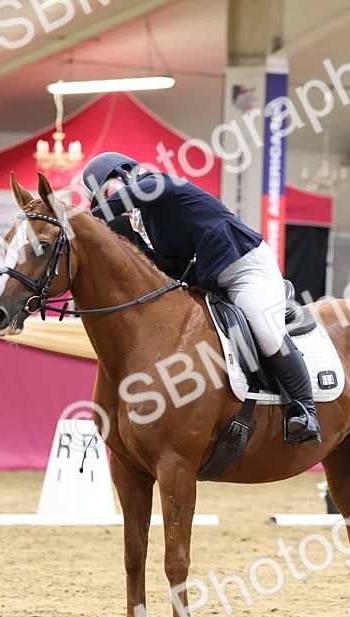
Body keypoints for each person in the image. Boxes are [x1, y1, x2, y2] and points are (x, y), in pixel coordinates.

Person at [81, 152, 319, 445]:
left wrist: (83, 219)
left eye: (106, 192)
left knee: (266, 333)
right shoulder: (141, 227)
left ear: (125, 174)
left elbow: (129, 198)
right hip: (211, 283)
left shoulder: (156, 183)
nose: (106, 203)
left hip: (244, 267)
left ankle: (306, 410)